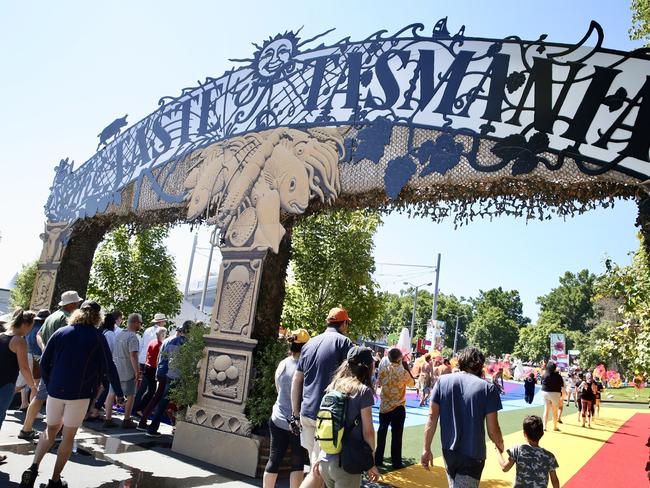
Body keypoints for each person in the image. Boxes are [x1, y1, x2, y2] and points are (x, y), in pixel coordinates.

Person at [20, 300, 124, 488]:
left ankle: (33, 468)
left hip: (56, 390)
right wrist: (119, 393)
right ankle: (54, 481)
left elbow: (44, 361)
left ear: (78, 312)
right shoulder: (97, 337)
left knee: (49, 431)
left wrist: (50, 383)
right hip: (80, 393)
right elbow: (110, 366)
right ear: (97, 316)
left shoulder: (61, 332)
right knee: (68, 437)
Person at [421, 346, 504, 488]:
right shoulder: (488, 389)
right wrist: (500, 443)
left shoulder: (442, 382)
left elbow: (432, 418)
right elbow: (492, 428)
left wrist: (426, 448)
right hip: (473, 454)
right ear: (480, 365)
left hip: (449, 451)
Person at [291, 307, 354, 488]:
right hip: (326, 416)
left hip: (306, 413)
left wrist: (295, 413)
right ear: (343, 323)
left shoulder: (309, 343)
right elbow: (350, 380)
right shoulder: (344, 343)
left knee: (316, 465)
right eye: (347, 323)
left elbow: (297, 379)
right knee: (318, 471)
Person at [19, 291, 81, 442]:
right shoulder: (66, 318)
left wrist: (45, 349)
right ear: (71, 304)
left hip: (48, 362)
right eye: (77, 302)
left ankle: (27, 428)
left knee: (40, 397)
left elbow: (39, 335)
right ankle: (54, 432)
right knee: (56, 397)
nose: (78, 304)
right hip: (58, 365)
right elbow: (69, 342)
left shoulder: (52, 316)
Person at [316, 346, 380, 487]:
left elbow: (325, 423)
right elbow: (368, 432)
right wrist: (371, 463)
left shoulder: (333, 385)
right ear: (367, 367)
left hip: (326, 460)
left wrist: (319, 456)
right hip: (347, 463)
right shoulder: (363, 391)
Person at [263, 329, 311, 488]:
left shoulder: (283, 363)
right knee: (297, 462)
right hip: (297, 423)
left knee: (274, 459)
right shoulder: (307, 368)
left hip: (277, 417)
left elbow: (278, 389)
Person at [143, 320, 193, 437]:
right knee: (182, 404)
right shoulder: (189, 345)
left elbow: (164, 359)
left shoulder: (171, 341)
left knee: (162, 403)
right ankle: (178, 429)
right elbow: (189, 364)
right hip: (181, 377)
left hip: (170, 375)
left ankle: (152, 428)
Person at [0, 309, 37, 462]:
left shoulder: (1, 336)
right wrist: (33, 385)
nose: (31, 330)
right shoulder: (19, 341)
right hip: (6, 385)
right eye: (31, 326)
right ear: (25, 324)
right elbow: (24, 368)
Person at [375, 348, 414, 469]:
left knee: (382, 433)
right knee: (397, 436)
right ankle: (396, 462)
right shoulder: (403, 372)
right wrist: (407, 368)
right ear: (399, 359)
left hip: (385, 406)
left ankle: (378, 459)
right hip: (398, 407)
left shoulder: (383, 370)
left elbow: (379, 383)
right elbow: (412, 383)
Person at [495, 415, 560, 488]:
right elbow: (555, 481)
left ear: (524, 434)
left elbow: (505, 468)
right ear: (542, 434)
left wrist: (498, 451)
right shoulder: (549, 456)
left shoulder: (518, 450)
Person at [104, 313, 142, 428]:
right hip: (127, 371)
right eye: (140, 323)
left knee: (111, 393)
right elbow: (133, 356)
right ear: (135, 323)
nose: (140, 325)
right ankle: (126, 419)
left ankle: (108, 418)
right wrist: (137, 372)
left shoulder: (119, 335)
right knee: (131, 395)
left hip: (115, 370)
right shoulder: (132, 337)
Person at [18, 310, 49, 409]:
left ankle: (24, 403)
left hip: (26, 354)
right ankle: (33, 407)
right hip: (37, 356)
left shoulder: (29, 327)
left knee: (24, 382)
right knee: (36, 383)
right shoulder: (42, 329)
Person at [134, 326, 167, 415]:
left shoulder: (152, 342)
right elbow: (157, 359)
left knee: (143, 390)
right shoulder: (159, 345)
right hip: (152, 368)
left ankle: (137, 408)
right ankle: (140, 408)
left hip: (147, 366)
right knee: (151, 391)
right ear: (162, 334)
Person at [540, 361, 563, 432]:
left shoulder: (544, 374)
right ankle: (555, 427)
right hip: (555, 394)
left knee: (546, 410)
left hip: (545, 393)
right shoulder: (558, 376)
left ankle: (544, 427)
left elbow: (541, 383)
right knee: (555, 411)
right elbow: (561, 385)